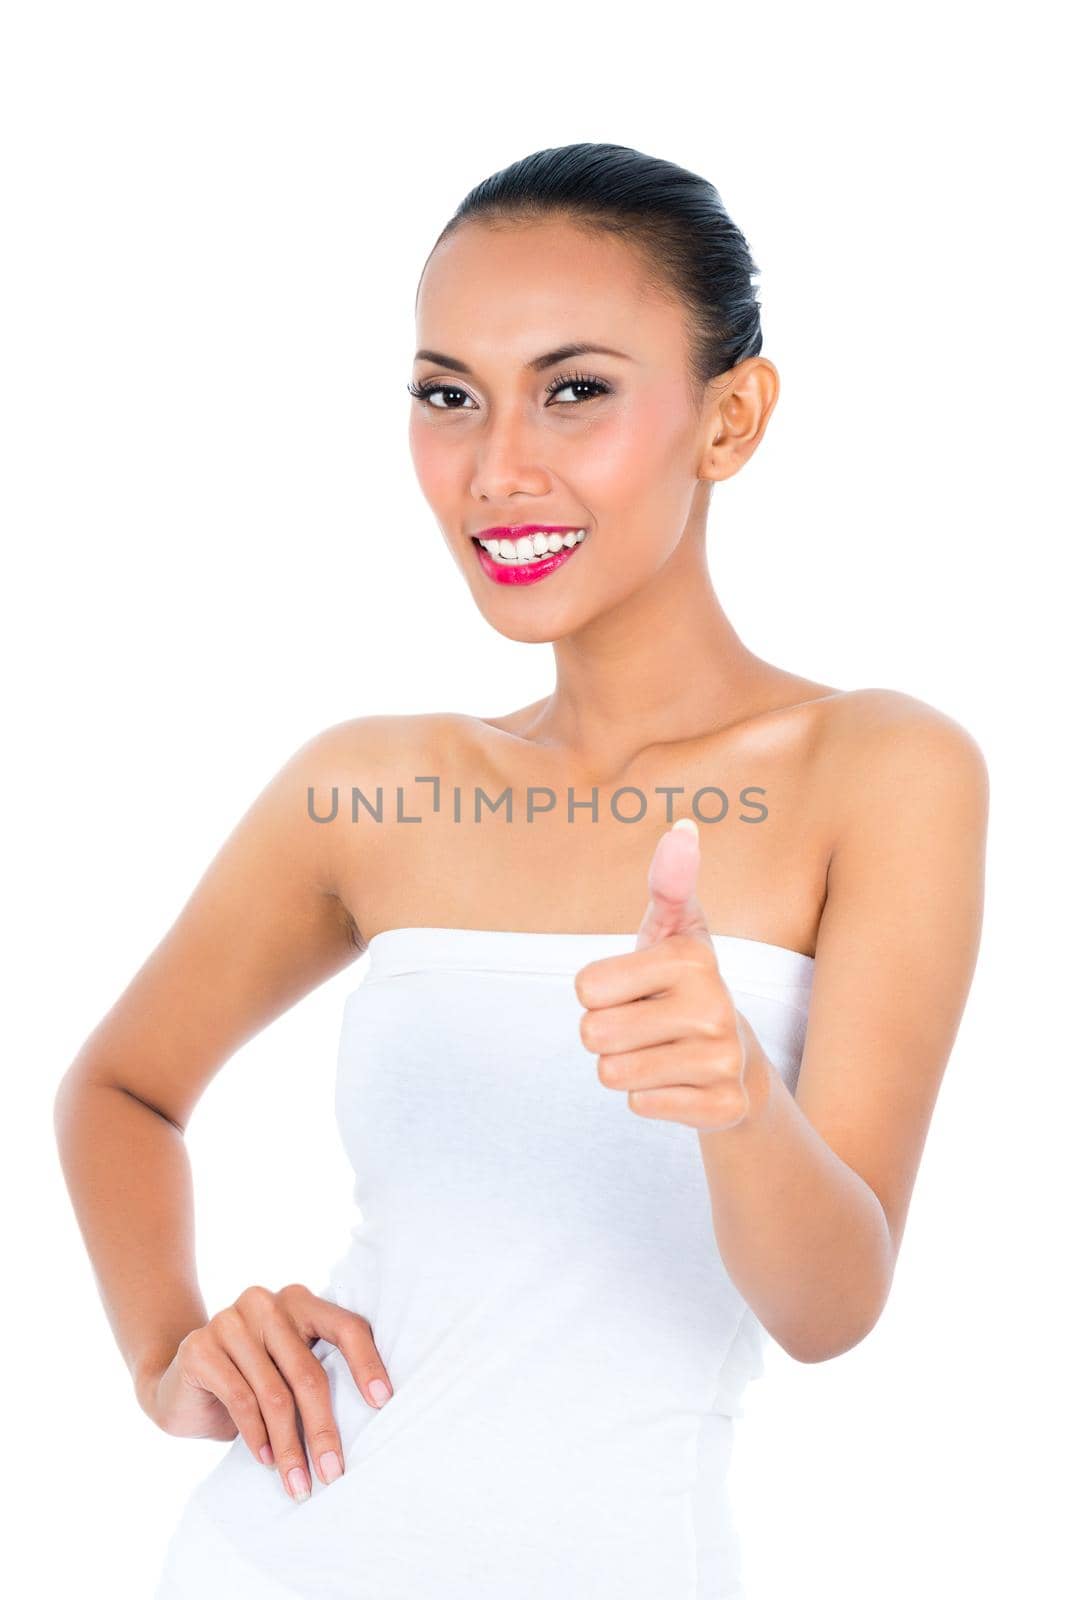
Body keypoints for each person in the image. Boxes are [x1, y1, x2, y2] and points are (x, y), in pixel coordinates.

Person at [54, 142, 989, 1599]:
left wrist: (735, 1096)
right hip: (267, 1557)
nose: (496, 470)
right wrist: (167, 1352)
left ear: (730, 418)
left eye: (575, 389)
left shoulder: (880, 772)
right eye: (448, 397)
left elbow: (830, 1309)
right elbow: (119, 1090)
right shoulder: (370, 782)